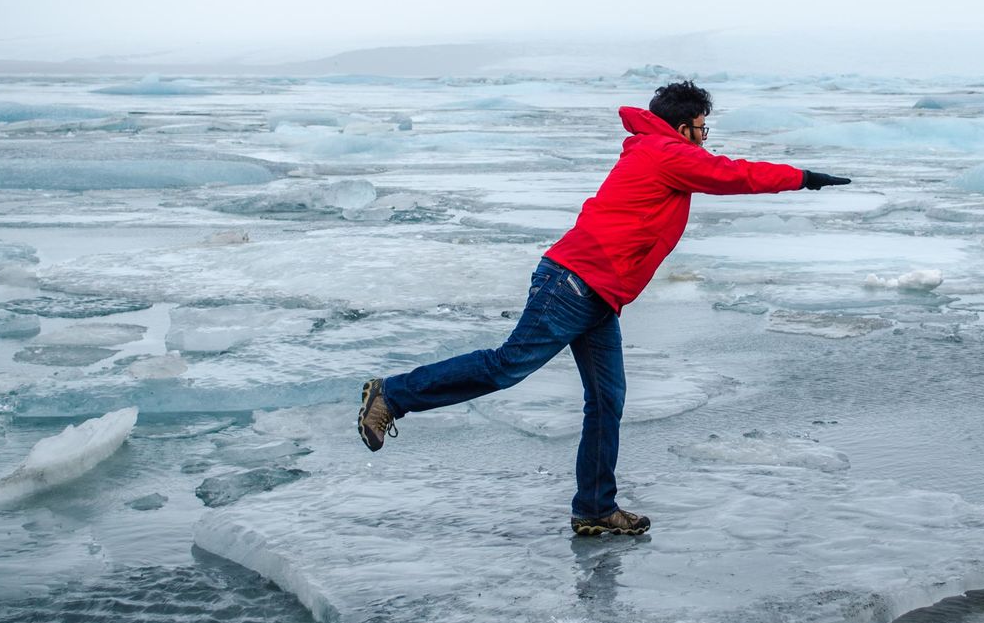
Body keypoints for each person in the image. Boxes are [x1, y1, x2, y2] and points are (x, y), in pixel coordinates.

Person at [358, 81, 850, 535]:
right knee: (507, 367)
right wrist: (802, 177)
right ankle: (393, 396)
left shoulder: (660, 150)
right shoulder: (666, 152)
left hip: (596, 293)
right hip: (574, 285)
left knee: (607, 400)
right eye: (702, 126)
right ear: (684, 127)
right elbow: (731, 175)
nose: (706, 136)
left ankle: (594, 506)